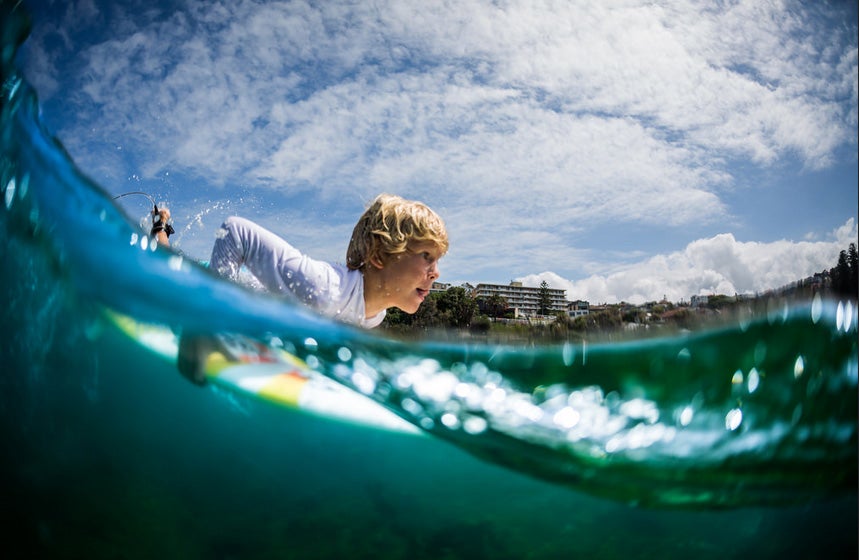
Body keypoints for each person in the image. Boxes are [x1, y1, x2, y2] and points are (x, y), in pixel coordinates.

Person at [155, 194, 448, 385]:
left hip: (258, 310)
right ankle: (160, 226)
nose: (436, 273)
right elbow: (235, 231)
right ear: (379, 257)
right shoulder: (323, 287)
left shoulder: (377, 314)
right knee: (166, 267)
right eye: (426, 257)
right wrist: (208, 322)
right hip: (222, 275)